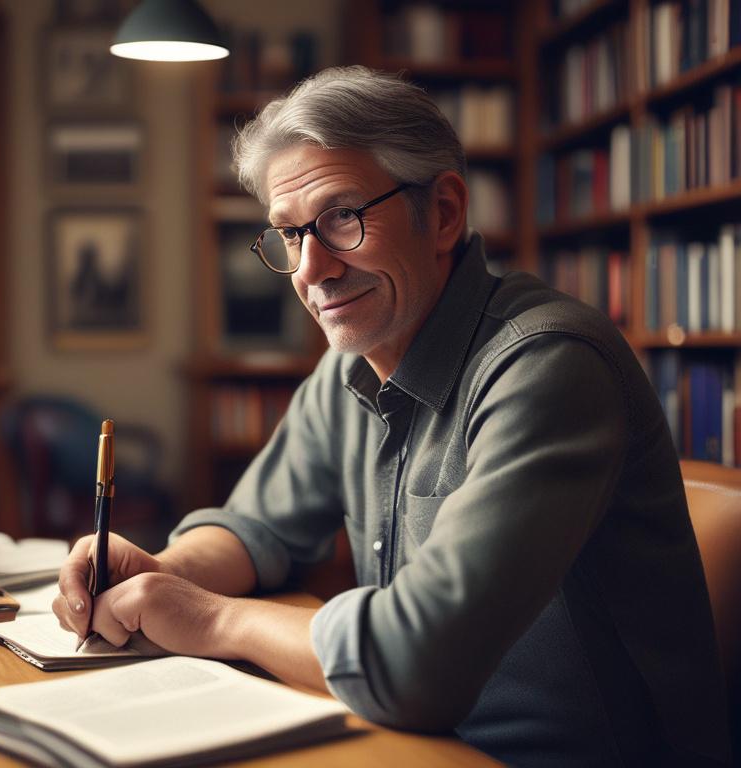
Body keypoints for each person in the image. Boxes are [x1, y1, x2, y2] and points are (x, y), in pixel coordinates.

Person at [53, 66, 730, 766]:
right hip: (417, 746)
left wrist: (209, 617)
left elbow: (416, 666)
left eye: (341, 218)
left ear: (442, 213)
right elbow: (257, 530)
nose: (312, 269)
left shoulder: (550, 366)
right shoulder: (349, 369)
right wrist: (162, 570)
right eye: (289, 236)